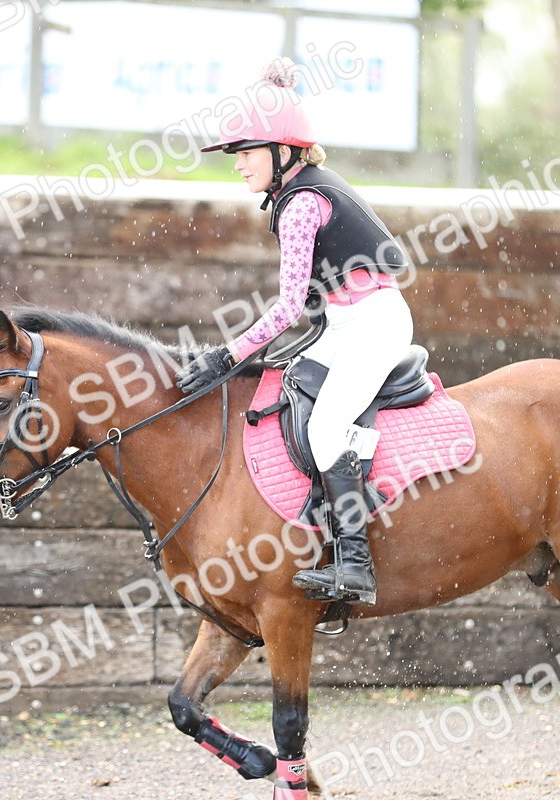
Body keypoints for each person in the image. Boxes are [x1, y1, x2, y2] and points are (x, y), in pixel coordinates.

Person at [175, 59, 415, 607]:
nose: (238, 166)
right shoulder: (301, 192)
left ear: (284, 151)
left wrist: (225, 355)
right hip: (348, 320)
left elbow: (284, 309)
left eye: (247, 153)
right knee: (289, 391)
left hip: (373, 324)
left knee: (328, 428)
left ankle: (355, 563)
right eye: (235, 156)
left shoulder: (302, 205)